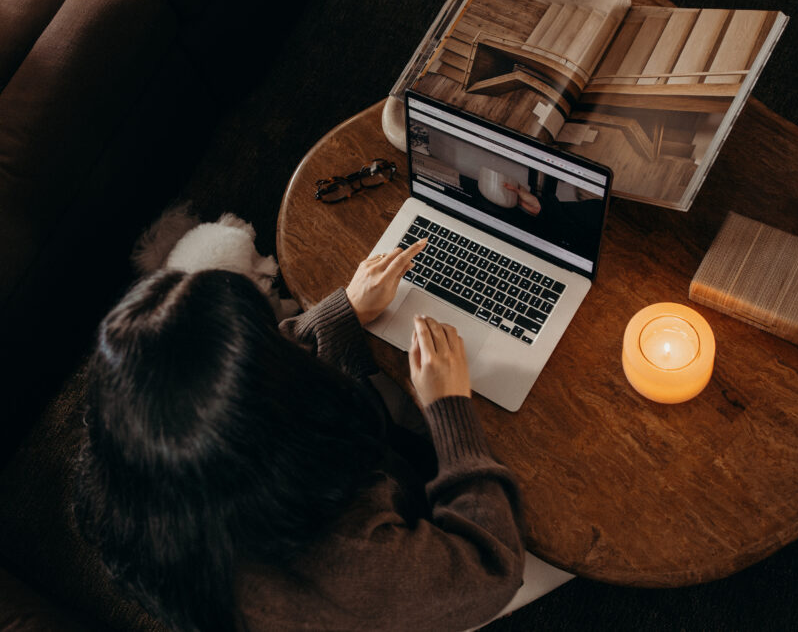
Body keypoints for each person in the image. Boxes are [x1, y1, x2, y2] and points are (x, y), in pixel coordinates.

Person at [73, 237, 525, 632]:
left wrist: (339, 313)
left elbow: (245, 375)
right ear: (269, 430)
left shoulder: (128, 454)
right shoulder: (340, 566)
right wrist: (449, 411)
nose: (283, 340)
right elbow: (491, 571)